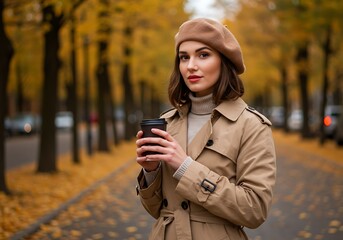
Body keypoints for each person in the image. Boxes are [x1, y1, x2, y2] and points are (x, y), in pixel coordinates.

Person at [135, 18, 276, 240]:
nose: (191, 65)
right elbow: (156, 211)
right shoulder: (167, 123)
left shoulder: (251, 126)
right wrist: (150, 172)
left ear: (224, 61)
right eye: (184, 57)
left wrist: (185, 167)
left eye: (203, 55)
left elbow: (255, 210)